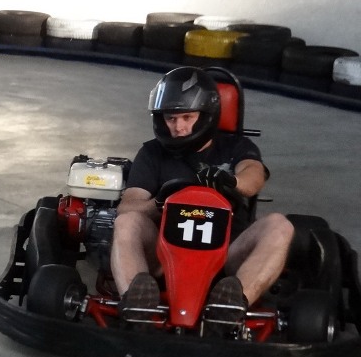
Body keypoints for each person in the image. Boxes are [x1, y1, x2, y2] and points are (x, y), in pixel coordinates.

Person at [110, 66, 294, 327]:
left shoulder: (235, 148)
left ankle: (232, 304)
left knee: (279, 225)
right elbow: (128, 205)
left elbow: (254, 176)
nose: (178, 127)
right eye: (171, 119)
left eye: (187, 117)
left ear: (206, 115)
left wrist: (230, 181)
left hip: (227, 256)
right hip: (165, 256)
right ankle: (135, 302)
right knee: (127, 221)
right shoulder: (152, 153)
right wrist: (158, 203)